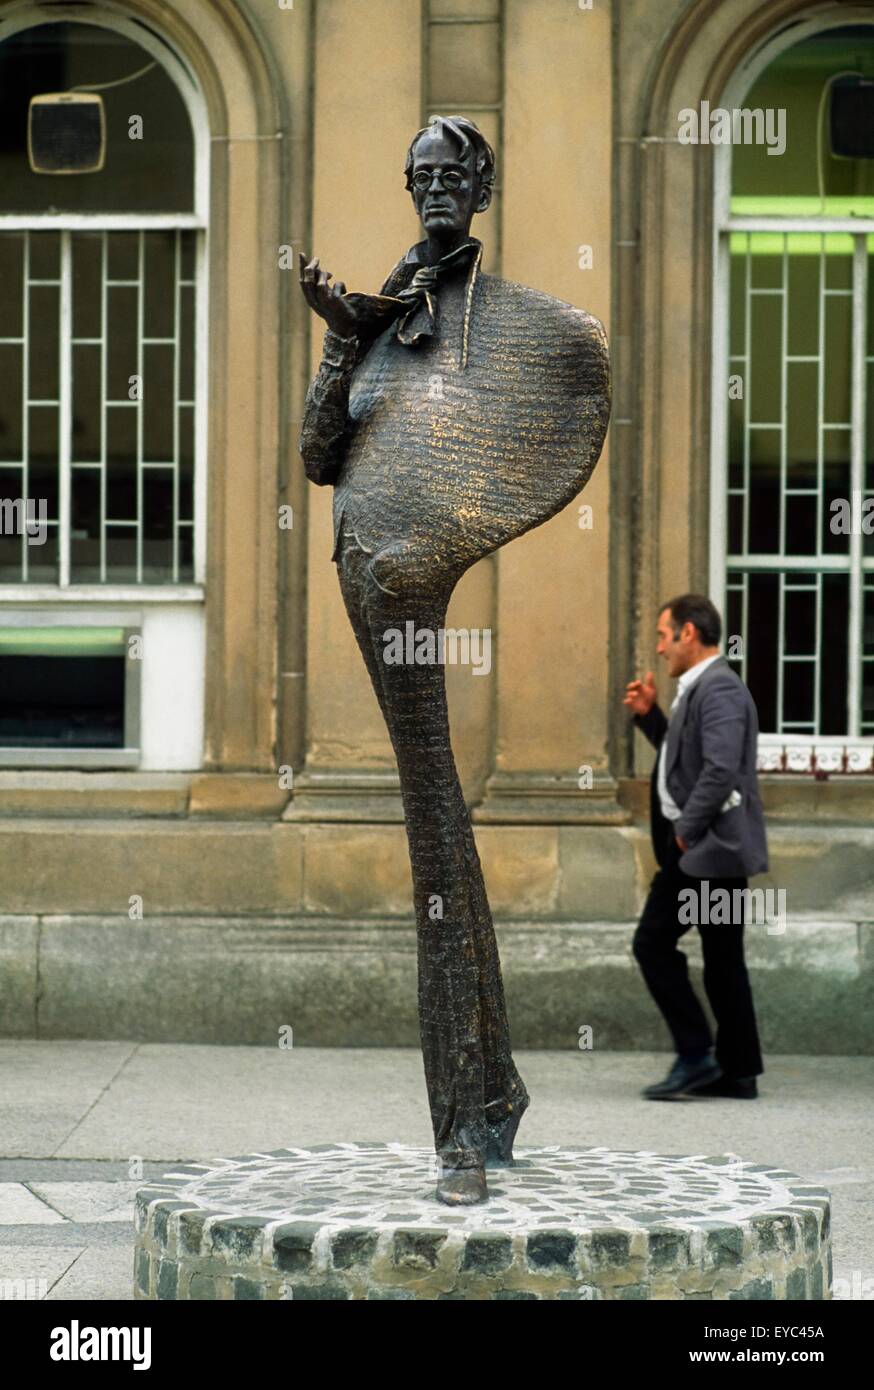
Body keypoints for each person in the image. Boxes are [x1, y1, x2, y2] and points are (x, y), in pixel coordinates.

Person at [298, 115, 610, 1204]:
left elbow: (544, 428)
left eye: (452, 175)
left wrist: (443, 529)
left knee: (436, 836)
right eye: (419, 176)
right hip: (368, 583)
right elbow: (316, 455)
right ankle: (490, 1096)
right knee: (440, 828)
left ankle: (464, 1132)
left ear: (482, 184)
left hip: (416, 586)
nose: (435, 191)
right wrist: (345, 337)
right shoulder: (382, 319)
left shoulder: (518, 326)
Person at [624, 594, 767, 1100]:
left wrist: (685, 829)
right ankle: (739, 1071)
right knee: (724, 960)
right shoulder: (701, 688)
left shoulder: (720, 689)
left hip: (705, 851)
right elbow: (686, 759)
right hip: (709, 852)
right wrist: (651, 717)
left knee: (652, 943)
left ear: (689, 633)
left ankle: (695, 1054)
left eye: (664, 636)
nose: (659, 648)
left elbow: (720, 768)